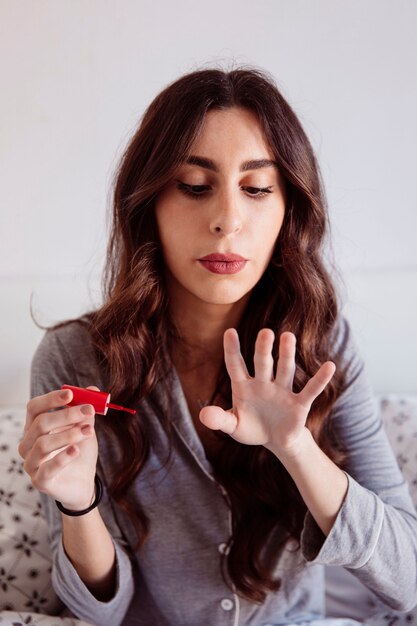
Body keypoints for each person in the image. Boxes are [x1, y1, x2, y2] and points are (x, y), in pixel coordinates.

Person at [19, 67, 417, 626]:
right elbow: (98, 614)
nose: (228, 220)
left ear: (288, 212)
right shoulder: (73, 360)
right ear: (149, 204)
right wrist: (77, 500)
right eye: (195, 187)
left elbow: (409, 582)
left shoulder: (324, 347)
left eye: (257, 189)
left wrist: (297, 449)